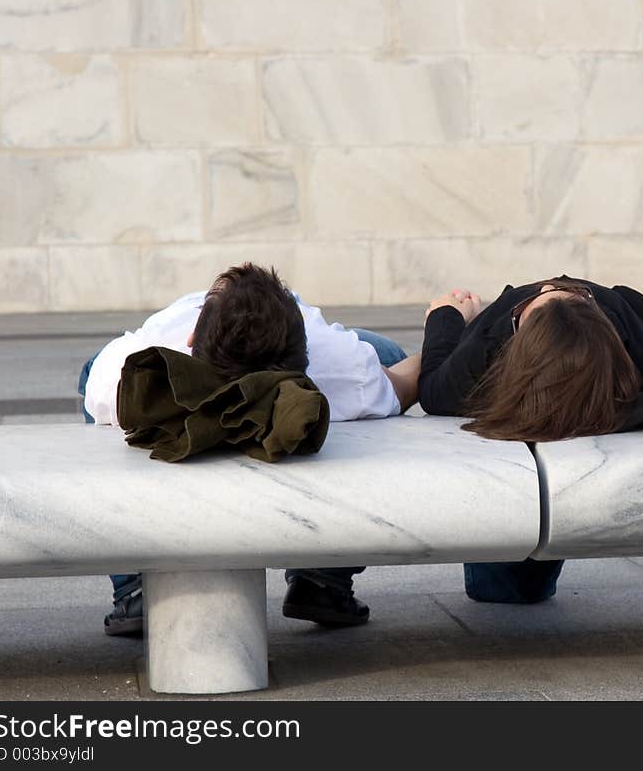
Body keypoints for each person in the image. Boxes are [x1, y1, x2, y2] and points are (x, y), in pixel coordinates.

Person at [80, 263, 421, 635]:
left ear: (193, 337)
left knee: (89, 371)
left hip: (154, 361)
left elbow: (96, 383)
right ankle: (324, 577)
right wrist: (447, 327)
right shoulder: (343, 365)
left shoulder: (130, 372)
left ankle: (134, 586)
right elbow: (405, 385)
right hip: (331, 365)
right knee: (387, 354)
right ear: (304, 353)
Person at [418, 275, 643, 604]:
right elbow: (431, 391)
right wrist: (447, 317)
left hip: (602, 332)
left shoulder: (623, 336)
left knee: (516, 591)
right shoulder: (484, 351)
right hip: (506, 349)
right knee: (507, 591)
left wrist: (598, 411)